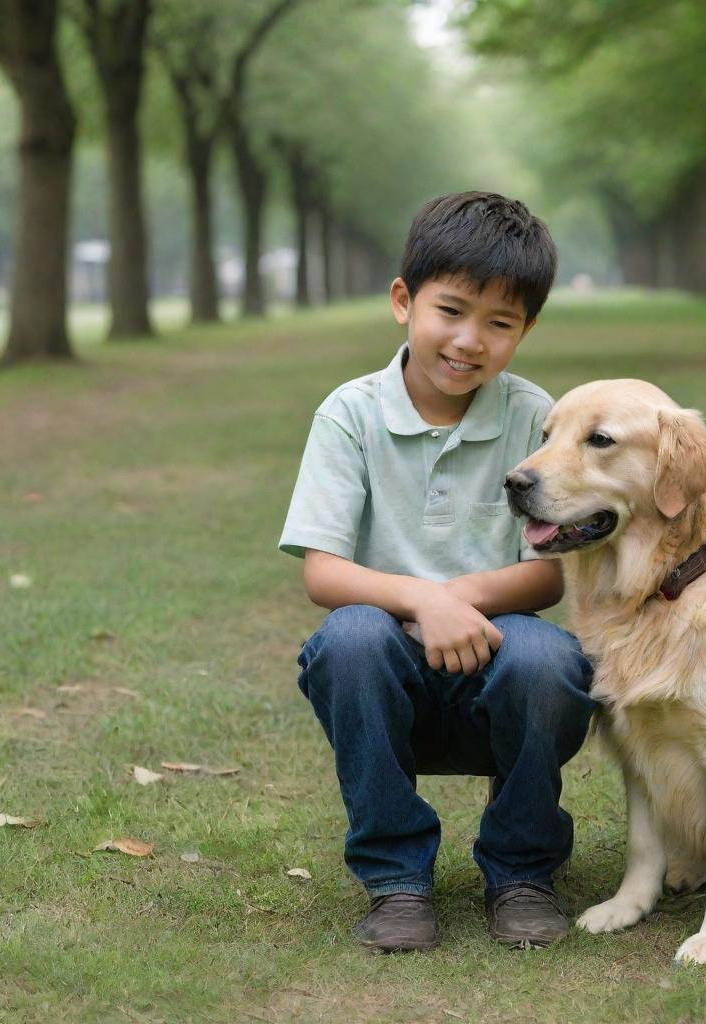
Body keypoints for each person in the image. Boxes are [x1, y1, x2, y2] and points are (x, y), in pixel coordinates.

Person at [279, 192, 596, 952]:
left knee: (549, 654)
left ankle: (521, 871)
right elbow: (323, 572)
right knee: (350, 636)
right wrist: (423, 602)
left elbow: (546, 575)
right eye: (450, 310)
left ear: (526, 330)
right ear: (402, 301)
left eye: (500, 323)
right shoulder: (349, 414)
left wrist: (462, 604)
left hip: (502, 672)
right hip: (385, 679)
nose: (468, 340)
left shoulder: (533, 416)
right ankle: (396, 881)